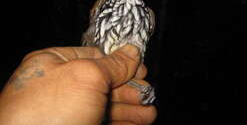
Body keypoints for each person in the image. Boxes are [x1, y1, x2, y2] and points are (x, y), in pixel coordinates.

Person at [0, 45, 157, 125]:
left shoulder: (146, 15)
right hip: (108, 62)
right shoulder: (105, 2)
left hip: (117, 71)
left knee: (127, 81)